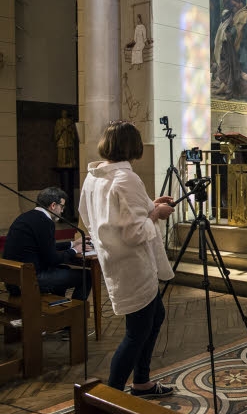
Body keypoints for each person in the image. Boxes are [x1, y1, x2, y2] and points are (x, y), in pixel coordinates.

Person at [78, 121, 175, 396]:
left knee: (156, 316)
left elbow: (101, 218)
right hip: (134, 265)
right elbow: (134, 232)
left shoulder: (94, 177)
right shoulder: (126, 178)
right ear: (132, 146)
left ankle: (142, 381)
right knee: (136, 333)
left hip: (114, 259)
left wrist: (150, 205)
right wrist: (156, 214)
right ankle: (113, 396)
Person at [3, 187, 90, 300]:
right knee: (86, 276)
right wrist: (75, 251)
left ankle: (60, 308)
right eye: (62, 206)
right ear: (53, 205)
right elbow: (52, 259)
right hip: (30, 280)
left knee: (64, 269)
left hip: (13, 279)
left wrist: (73, 243)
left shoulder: (25, 217)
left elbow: (45, 247)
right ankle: (76, 314)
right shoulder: (45, 222)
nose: (62, 211)